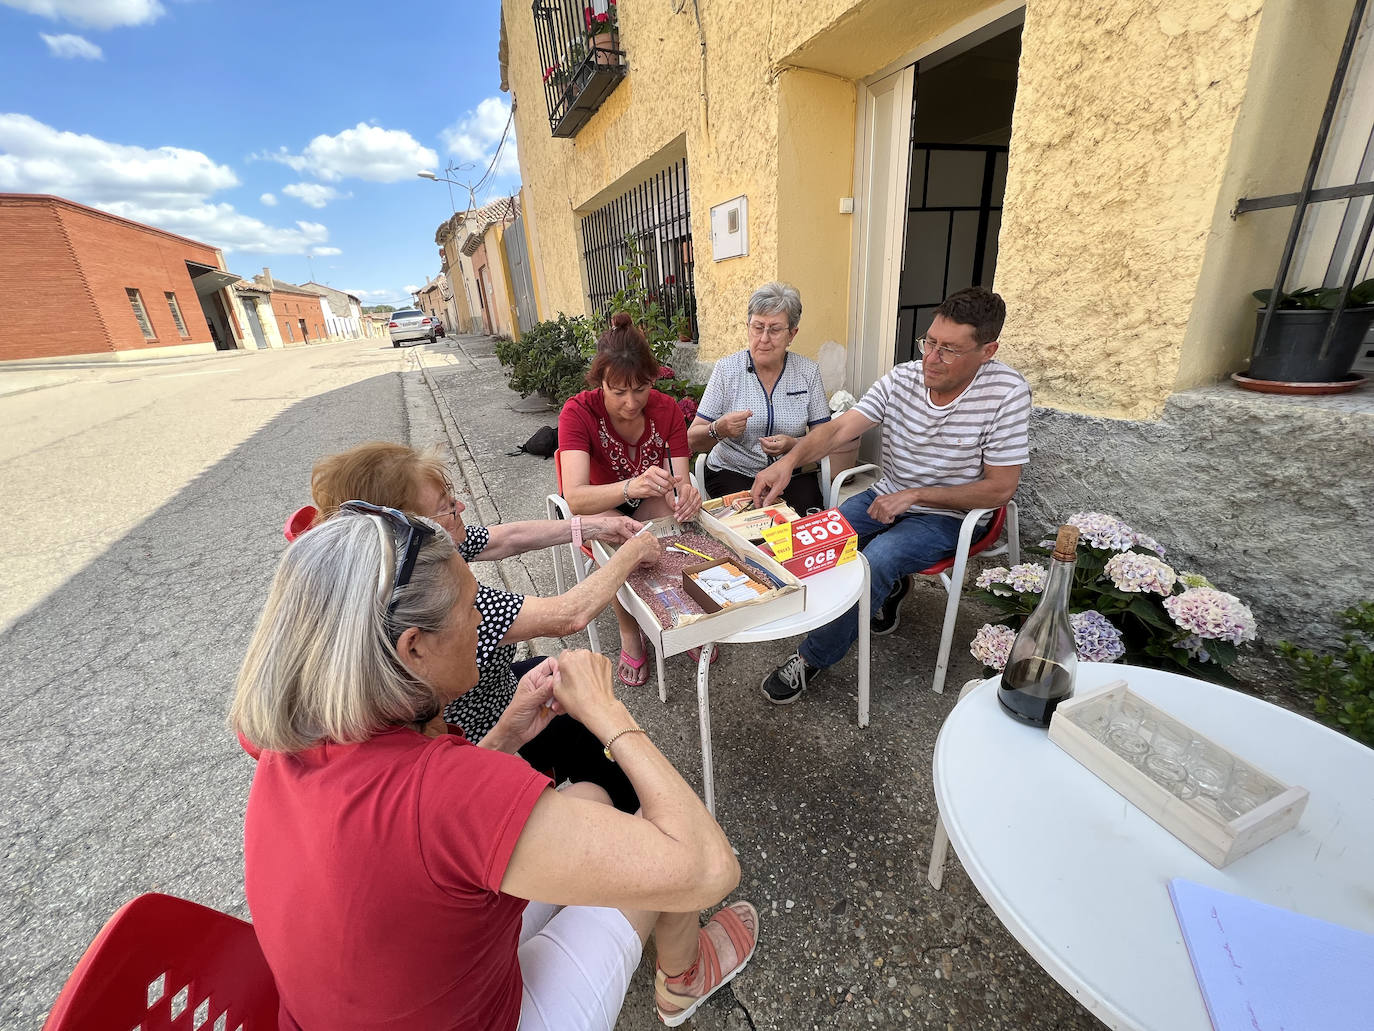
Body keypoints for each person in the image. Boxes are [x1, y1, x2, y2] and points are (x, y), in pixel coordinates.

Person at [232, 504, 759, 1030]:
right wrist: (608, 713)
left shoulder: (296, 736)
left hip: (378, 993)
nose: (485, 619)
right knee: (658, 834)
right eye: (470, 610)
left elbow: (416, 834)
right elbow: (710, 869)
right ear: (413, 648)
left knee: (593, 797)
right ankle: (684, 980)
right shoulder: (447, 791)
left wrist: (504, 733)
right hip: (484, 1018)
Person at [304, 441, 657, 812]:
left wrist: (598, 525)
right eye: (446, 506)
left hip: (502, 694)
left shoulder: (402, 560)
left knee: (580, 728)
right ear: (412, 528)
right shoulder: (440, 608)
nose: (460, 508)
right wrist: (631, 553)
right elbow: (568, 615)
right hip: (478, 733)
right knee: (614, 780)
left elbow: (506, 537)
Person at [751, 287, 1031, 705]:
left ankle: (812, 657)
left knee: (876, 560)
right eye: (930, 342)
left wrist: (916, 494)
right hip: (886, 496)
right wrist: (789, 462)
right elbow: (839, 429)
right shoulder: (903, 377)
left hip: (950, 517)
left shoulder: (1007, 393)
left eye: (949, 350)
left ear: (987, 351)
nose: (932, 359)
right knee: (812, 536)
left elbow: (1001, 488)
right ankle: (871, 595)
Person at [558, 313, 705, 687]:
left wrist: (686, 496)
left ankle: (678, 609)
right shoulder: (578, 411)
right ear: (600, 382)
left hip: (646, 495)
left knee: (676, 524)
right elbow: (575, 497)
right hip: (598, 502)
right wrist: (629, 486)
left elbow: (677, 481)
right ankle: (630, 630)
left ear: (652, 380)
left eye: (640, 389)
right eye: (618, 391)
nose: (630, 402)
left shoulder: (667, 410)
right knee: (622, 536)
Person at [687, 282, 833, 514]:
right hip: (732, 472)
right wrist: (719, 428)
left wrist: (794, 445)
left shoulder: (807, 372)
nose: (764, 338)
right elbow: (693, 439)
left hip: (791, 473)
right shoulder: (727, 370)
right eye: (757, 327)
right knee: (750, 531)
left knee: (804, 529)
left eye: (774, 329)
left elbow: (825, 437)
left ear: (792, 334)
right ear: (748, 327)